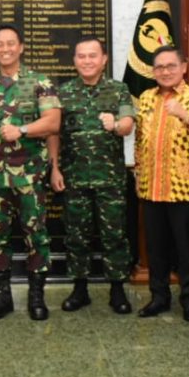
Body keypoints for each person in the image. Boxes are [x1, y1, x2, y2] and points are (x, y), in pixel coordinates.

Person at [0, 24, 61, 321]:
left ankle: (37, 296)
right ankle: (2, 296)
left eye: (11, 43)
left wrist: (21, 129)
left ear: (21, 47)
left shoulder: (39, 83)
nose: (5, 49)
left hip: (30, 175)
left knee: (36, 236)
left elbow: (52, 123)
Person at [49, 37, 136, 315]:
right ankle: (80, 288)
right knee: (76, 235)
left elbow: (127, 124)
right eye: (81, 56)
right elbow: (54, 134)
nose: (87, 61)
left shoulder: (118, 90)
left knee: (115, 235)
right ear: (74, 60)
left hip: (110, 180)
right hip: (74, 178)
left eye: (92, 56)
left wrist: (115, 124)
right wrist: (54, 167)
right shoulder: (63, 93)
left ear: (104, 59)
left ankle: (117, 289)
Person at [133, 46, 189, 321]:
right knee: (156, 249)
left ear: (183, 67)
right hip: (151, 187)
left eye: (171, 66)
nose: (165, 71)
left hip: (185, 189)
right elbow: (139, 141)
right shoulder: (146, 98)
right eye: (159, 67)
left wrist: (185, 114)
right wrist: (138, 174)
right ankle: (159, 297)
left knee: (186, 249)